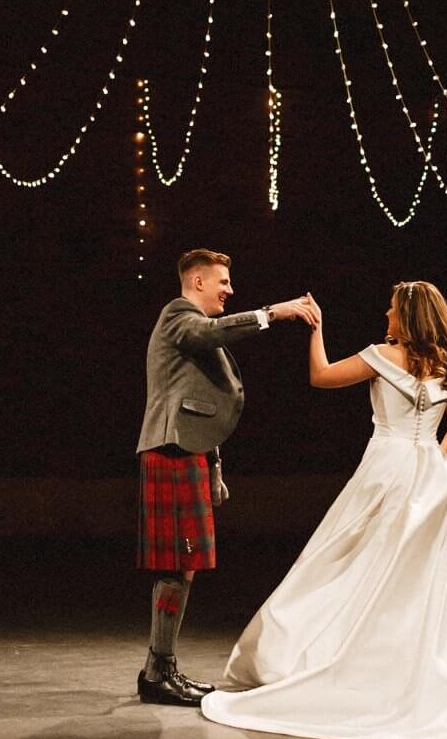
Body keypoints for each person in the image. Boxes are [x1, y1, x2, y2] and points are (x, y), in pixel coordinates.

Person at [200, 280, 447, 739]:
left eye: (392, 309)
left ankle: (337, 660)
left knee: (346, 558)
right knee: (427, 573)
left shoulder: (381, 355)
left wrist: (316, 331)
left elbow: (321, 376)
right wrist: (436, 459)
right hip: (431, 473)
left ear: (408, 317)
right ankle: (428, 667)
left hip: (386, 467)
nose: (386, 315)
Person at [133, 248, 314, 706]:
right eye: (223, 283)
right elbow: (208, 334)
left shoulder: (193, 327)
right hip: (170, 452)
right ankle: (158, 672)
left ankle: (160, 668)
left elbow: (200, 401)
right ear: (197, 283)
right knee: (177, 566)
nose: (229, 291)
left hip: (186, 452)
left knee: (185, 566)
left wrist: (214, 467)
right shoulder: (179, 315)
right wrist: (273, 313)